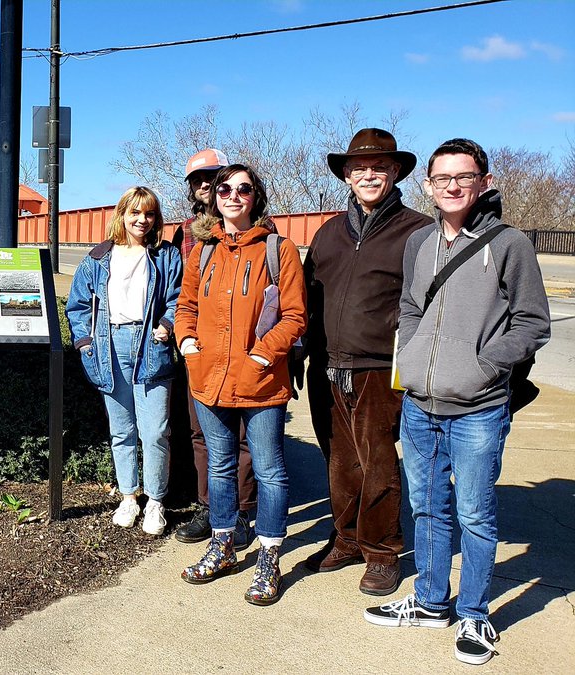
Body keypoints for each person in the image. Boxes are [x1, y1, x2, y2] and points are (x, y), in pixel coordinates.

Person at [364, 139, 550, 666]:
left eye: (462, 177)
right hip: (421, 405)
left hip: (478, 407)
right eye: (441, 178)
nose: (451, 186)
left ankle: (473, 613)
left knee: (474, 512)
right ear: (427, 184)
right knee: (426, 507)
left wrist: (484, 365)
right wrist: (416, 358)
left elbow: (533, 322)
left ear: (484, 181)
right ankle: (429, 601)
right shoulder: (419, 242)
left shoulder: (509, 243)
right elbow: (410, 306)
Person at [302, 129, 432, 595]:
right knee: (339, 461)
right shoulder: (329, 232)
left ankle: (382, 551)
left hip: (381, 367)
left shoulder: (418, 231)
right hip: (327, 365)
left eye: (379, 167)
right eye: (360, 168)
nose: (369, 174)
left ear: (395, 172)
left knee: (377, 461)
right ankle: (348, 539)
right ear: (347, 176)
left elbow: (429, 301)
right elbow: (307, 299)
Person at [176, 164, 307, 605]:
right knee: (220, 465)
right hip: (209, 378)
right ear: (214, 198)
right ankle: (224, 544)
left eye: (243, 189)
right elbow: (185, 305)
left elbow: (294, 316)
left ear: (256, 197)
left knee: (269, 469)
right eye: (224, 189)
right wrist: (188, 343)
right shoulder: (204, 251)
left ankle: (269, 554)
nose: (233, 195)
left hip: (262, 382)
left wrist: (261, 354)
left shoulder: (278, 249)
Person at [65, 186, 182, 537]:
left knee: (156, 431)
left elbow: (179, 297)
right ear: (122, 215)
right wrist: (85, 342)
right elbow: (78, 305)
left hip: (150, 344)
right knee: (122, 431)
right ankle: (129, 496)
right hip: (108, 344)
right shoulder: (98, 258)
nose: (142, 220)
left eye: (148, 214)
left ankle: (156, 502)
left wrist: (167, 325)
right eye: (135, 213)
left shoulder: (165, 256)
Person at [168, 149, 257, 547]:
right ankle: (211, 508)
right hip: (201, 353)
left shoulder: (259, 230)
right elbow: (180, 295)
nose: (206, 185)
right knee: (201, 433)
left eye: (214, 178)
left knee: (240, 438)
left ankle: (241, 511)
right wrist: (183, 339)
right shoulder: (187, 233)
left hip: (242, 353)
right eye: (199, 179)